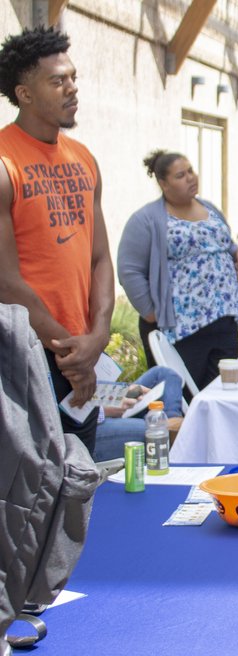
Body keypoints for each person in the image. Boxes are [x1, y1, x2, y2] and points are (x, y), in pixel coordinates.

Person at [0, 26, 114, 454]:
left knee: (79, 482)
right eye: (57, 81)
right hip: (26, 354)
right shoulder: (4, 163)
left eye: (73, 78)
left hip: (79, 349)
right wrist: (72, 355)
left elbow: (100, 258)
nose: (72, 89)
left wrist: (97, 338)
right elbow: (5, 282)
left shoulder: (83, 157)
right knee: (30, 493)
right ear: (24, 94)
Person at [117, 150, 238, 389]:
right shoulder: (147, 219)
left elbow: (223, 242)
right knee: (185, 396)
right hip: (182, 326)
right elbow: (129, 269)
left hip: (223, 318)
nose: (191, 178)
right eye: (181, 175)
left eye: (191, 171)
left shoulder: (208, 208)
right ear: (163, 184)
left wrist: (236, 252)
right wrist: (150, 312)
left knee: (223, 391)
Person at [92, 365, 185, 462]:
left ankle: (172, 427)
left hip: (93, 397)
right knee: (156, 433)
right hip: (86, 428)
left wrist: (115, 392)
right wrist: (103, 409)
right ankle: (175, 438)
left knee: (164, 374)